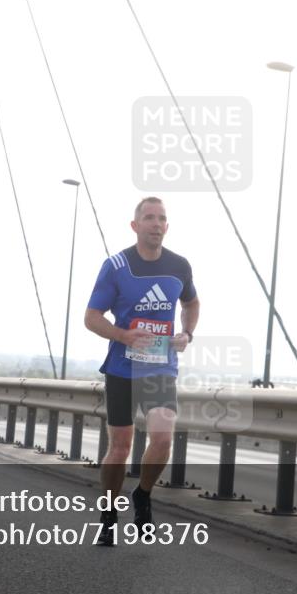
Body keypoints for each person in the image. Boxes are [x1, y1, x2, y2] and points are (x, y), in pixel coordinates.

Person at [84, 197, 199, 545]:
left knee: (162, 439)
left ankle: (143, 494)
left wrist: (187, 333)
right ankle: (108, 514)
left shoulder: (180, 266)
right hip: (121, 368)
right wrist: (123, 336)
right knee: (120, 447)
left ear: (167, 226)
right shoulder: (116, 265)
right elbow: (91, 318)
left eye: (161, 218)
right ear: (135, 226)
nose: (156, 223)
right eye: (149, 218)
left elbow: (191, 303)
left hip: (161, 367)